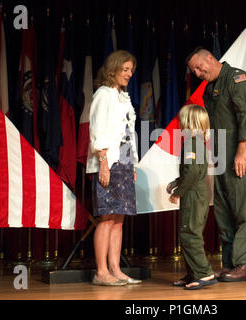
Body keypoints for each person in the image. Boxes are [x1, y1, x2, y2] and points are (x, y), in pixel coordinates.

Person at [186, 47, 246, 282]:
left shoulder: (238, 80)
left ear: (210, 58)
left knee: (244, 208)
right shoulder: (210, 88)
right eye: (194, 71)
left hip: (241, 154)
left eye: (200, 67)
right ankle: (231, 263)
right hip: (220, 157)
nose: (198, 73)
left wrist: (242, 152)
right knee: (223, 210)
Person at [86, 50, 141, 286]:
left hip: (125, 162)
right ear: (114, 69)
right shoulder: (104, 94)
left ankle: (115, 269)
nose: (129, 74)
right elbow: (97, 130)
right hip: (109, 162)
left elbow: (129, 133)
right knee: (107, 218)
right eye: (125, 69)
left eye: (131, 70)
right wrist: (103, 164)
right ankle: (101, 272)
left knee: (119, 219)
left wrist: (134, 163)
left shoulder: (123, 97)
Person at [167, 104, 217, 290]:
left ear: (189, 123)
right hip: (196, 192)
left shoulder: (191, 143)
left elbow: (193, 172)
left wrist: (177, 193)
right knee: (188, 233)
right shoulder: (195, 142)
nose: (179, 124)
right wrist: (176, 182)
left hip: (194, 195)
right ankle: (193, 274)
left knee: (190, 234)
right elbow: (192, 170)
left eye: (181, 121)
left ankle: (204, 273)